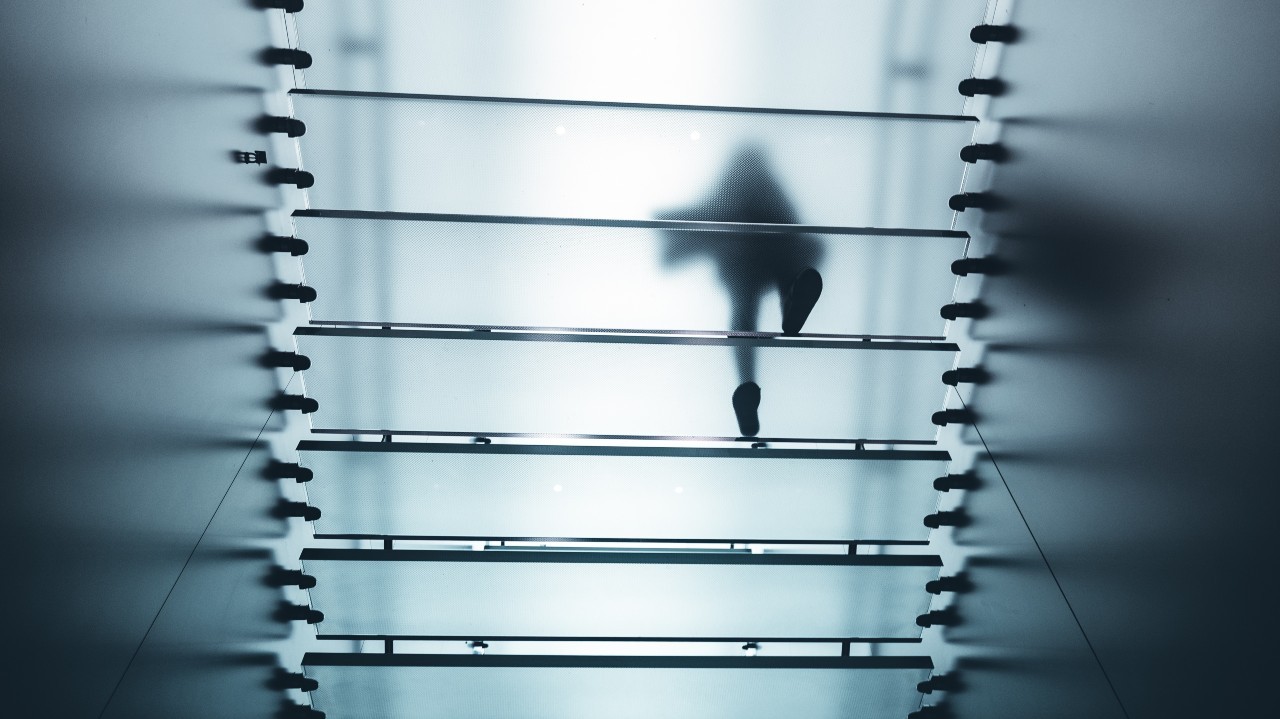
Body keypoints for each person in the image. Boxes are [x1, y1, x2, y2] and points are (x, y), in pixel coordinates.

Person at [655, 146, 824, 437]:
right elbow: (802, 239)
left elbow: (699, 218)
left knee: (743, 316)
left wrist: (673, 228)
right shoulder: (761, 193)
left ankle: (748, 381)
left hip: (749, 265)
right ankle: (790, 308)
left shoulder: (730, 195)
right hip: (763, 263)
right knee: (758, 302)